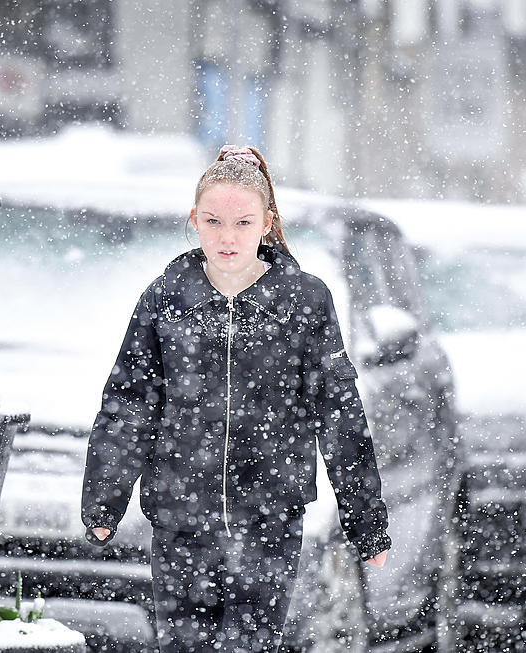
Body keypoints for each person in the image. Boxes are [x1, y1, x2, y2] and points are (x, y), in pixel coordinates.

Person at [81, 144, 391, 653]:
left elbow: (339, 413)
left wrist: (366, 523)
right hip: (180, 515)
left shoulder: (303, 301)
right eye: (213, 222)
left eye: (243, 223)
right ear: (194, 220)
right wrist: (104, 500)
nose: (227, 237)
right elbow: (129, 401)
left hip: (270, 516)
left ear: (267, 224)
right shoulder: (165, 299)